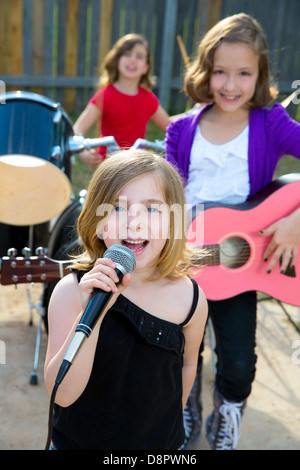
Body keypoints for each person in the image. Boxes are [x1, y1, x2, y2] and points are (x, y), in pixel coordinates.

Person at [165, 13, 300, 450]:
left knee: (239, 362)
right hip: (185, 261)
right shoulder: (181, 129)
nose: (230, 84)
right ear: (204, 70)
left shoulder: (271, 122)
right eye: (220, 71)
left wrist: (296, 221)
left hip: (242, 264)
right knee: (178, 349)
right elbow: (168, 192)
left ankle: (228, 411)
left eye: (244, 73)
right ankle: (185, 406)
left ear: (259, 76)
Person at [44, 149, 208, 450]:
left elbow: (187, 366)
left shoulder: (191, 298)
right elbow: (62, 394)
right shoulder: (71, 291)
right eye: (118, 208)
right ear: (97, 219)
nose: (134, 223)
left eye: (152, 209)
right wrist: (88, 313)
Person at [73, 34, 170, 169]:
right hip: (109, 169)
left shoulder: (149, 99)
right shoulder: (104, 96)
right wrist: (83, 153)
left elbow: (170, 125)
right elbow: (77, 130)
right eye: (127, 54)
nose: (133, 60)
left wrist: (194, 113)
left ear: (146, 68)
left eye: (139, 56)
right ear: (117, 59)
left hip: (138, 166)